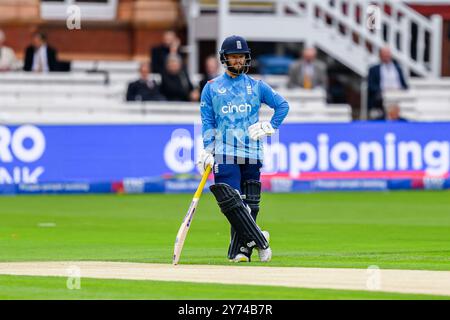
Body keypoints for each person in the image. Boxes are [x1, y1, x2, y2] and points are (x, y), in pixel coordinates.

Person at [196, 35, 289, 263]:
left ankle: (242, 251)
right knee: (230, 201)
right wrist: (208, 150)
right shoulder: (212, 88)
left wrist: (270, 126)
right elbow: (208, 121)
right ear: (224, 58)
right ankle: (261, 240)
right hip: (225, 151)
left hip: (252, 152)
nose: (237, 61)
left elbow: (282, 106)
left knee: (250, 204)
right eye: (233, 57)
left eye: (241, 57)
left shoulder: (256, 87)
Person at [367, 46, 408, 120]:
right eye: (384, 54)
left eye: (387, 54)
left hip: (398, 95)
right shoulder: (374, 69)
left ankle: (398, 117)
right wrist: (383, 90)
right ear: (380, 56)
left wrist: (399, 90)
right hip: (382, 96)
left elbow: (404, 85)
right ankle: (387, 117)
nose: (386, 56)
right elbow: (371, 86)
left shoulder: (398, 68)